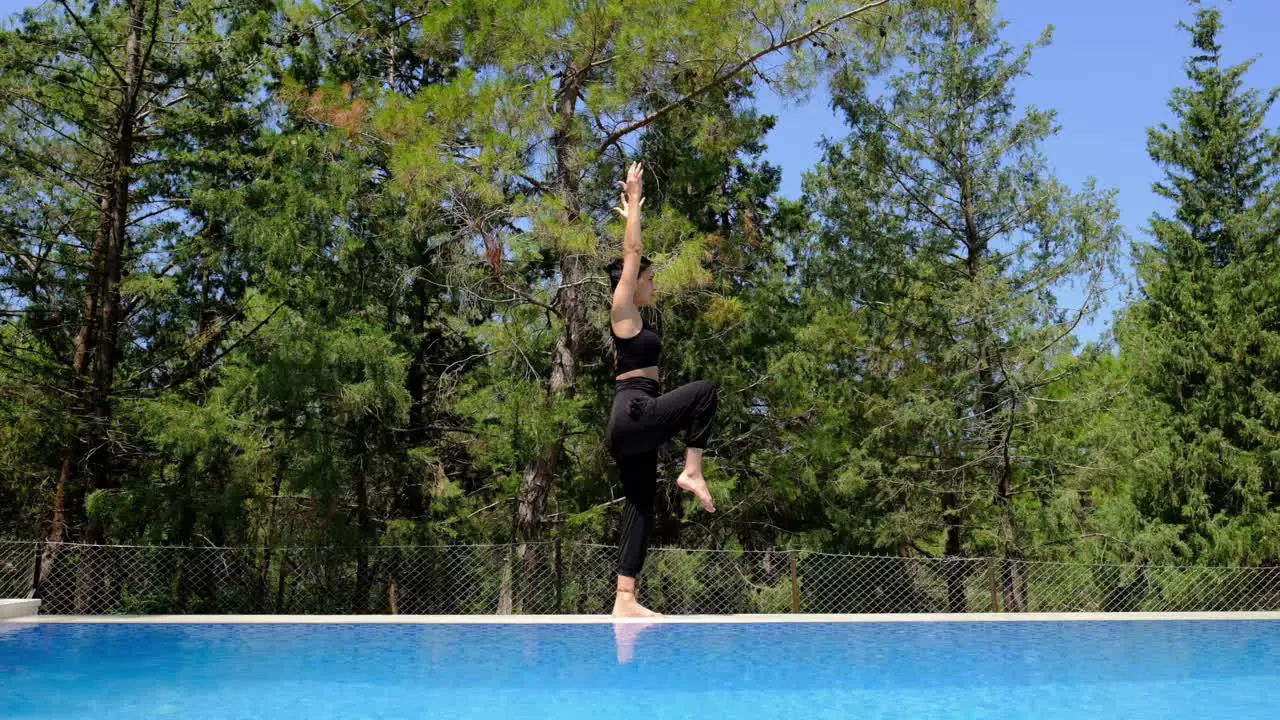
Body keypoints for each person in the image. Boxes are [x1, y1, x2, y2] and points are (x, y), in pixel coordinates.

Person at [603, 161, 718, 618]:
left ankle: (624, 599)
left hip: (633, 418)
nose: (653, 284)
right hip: (634, 411)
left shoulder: (634, 321)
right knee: (706, 392)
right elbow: (632, 254)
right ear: (630, 285)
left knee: (639, 503)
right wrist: (633, 205)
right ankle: (692, 471)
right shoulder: (622, 311)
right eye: (649, 279)